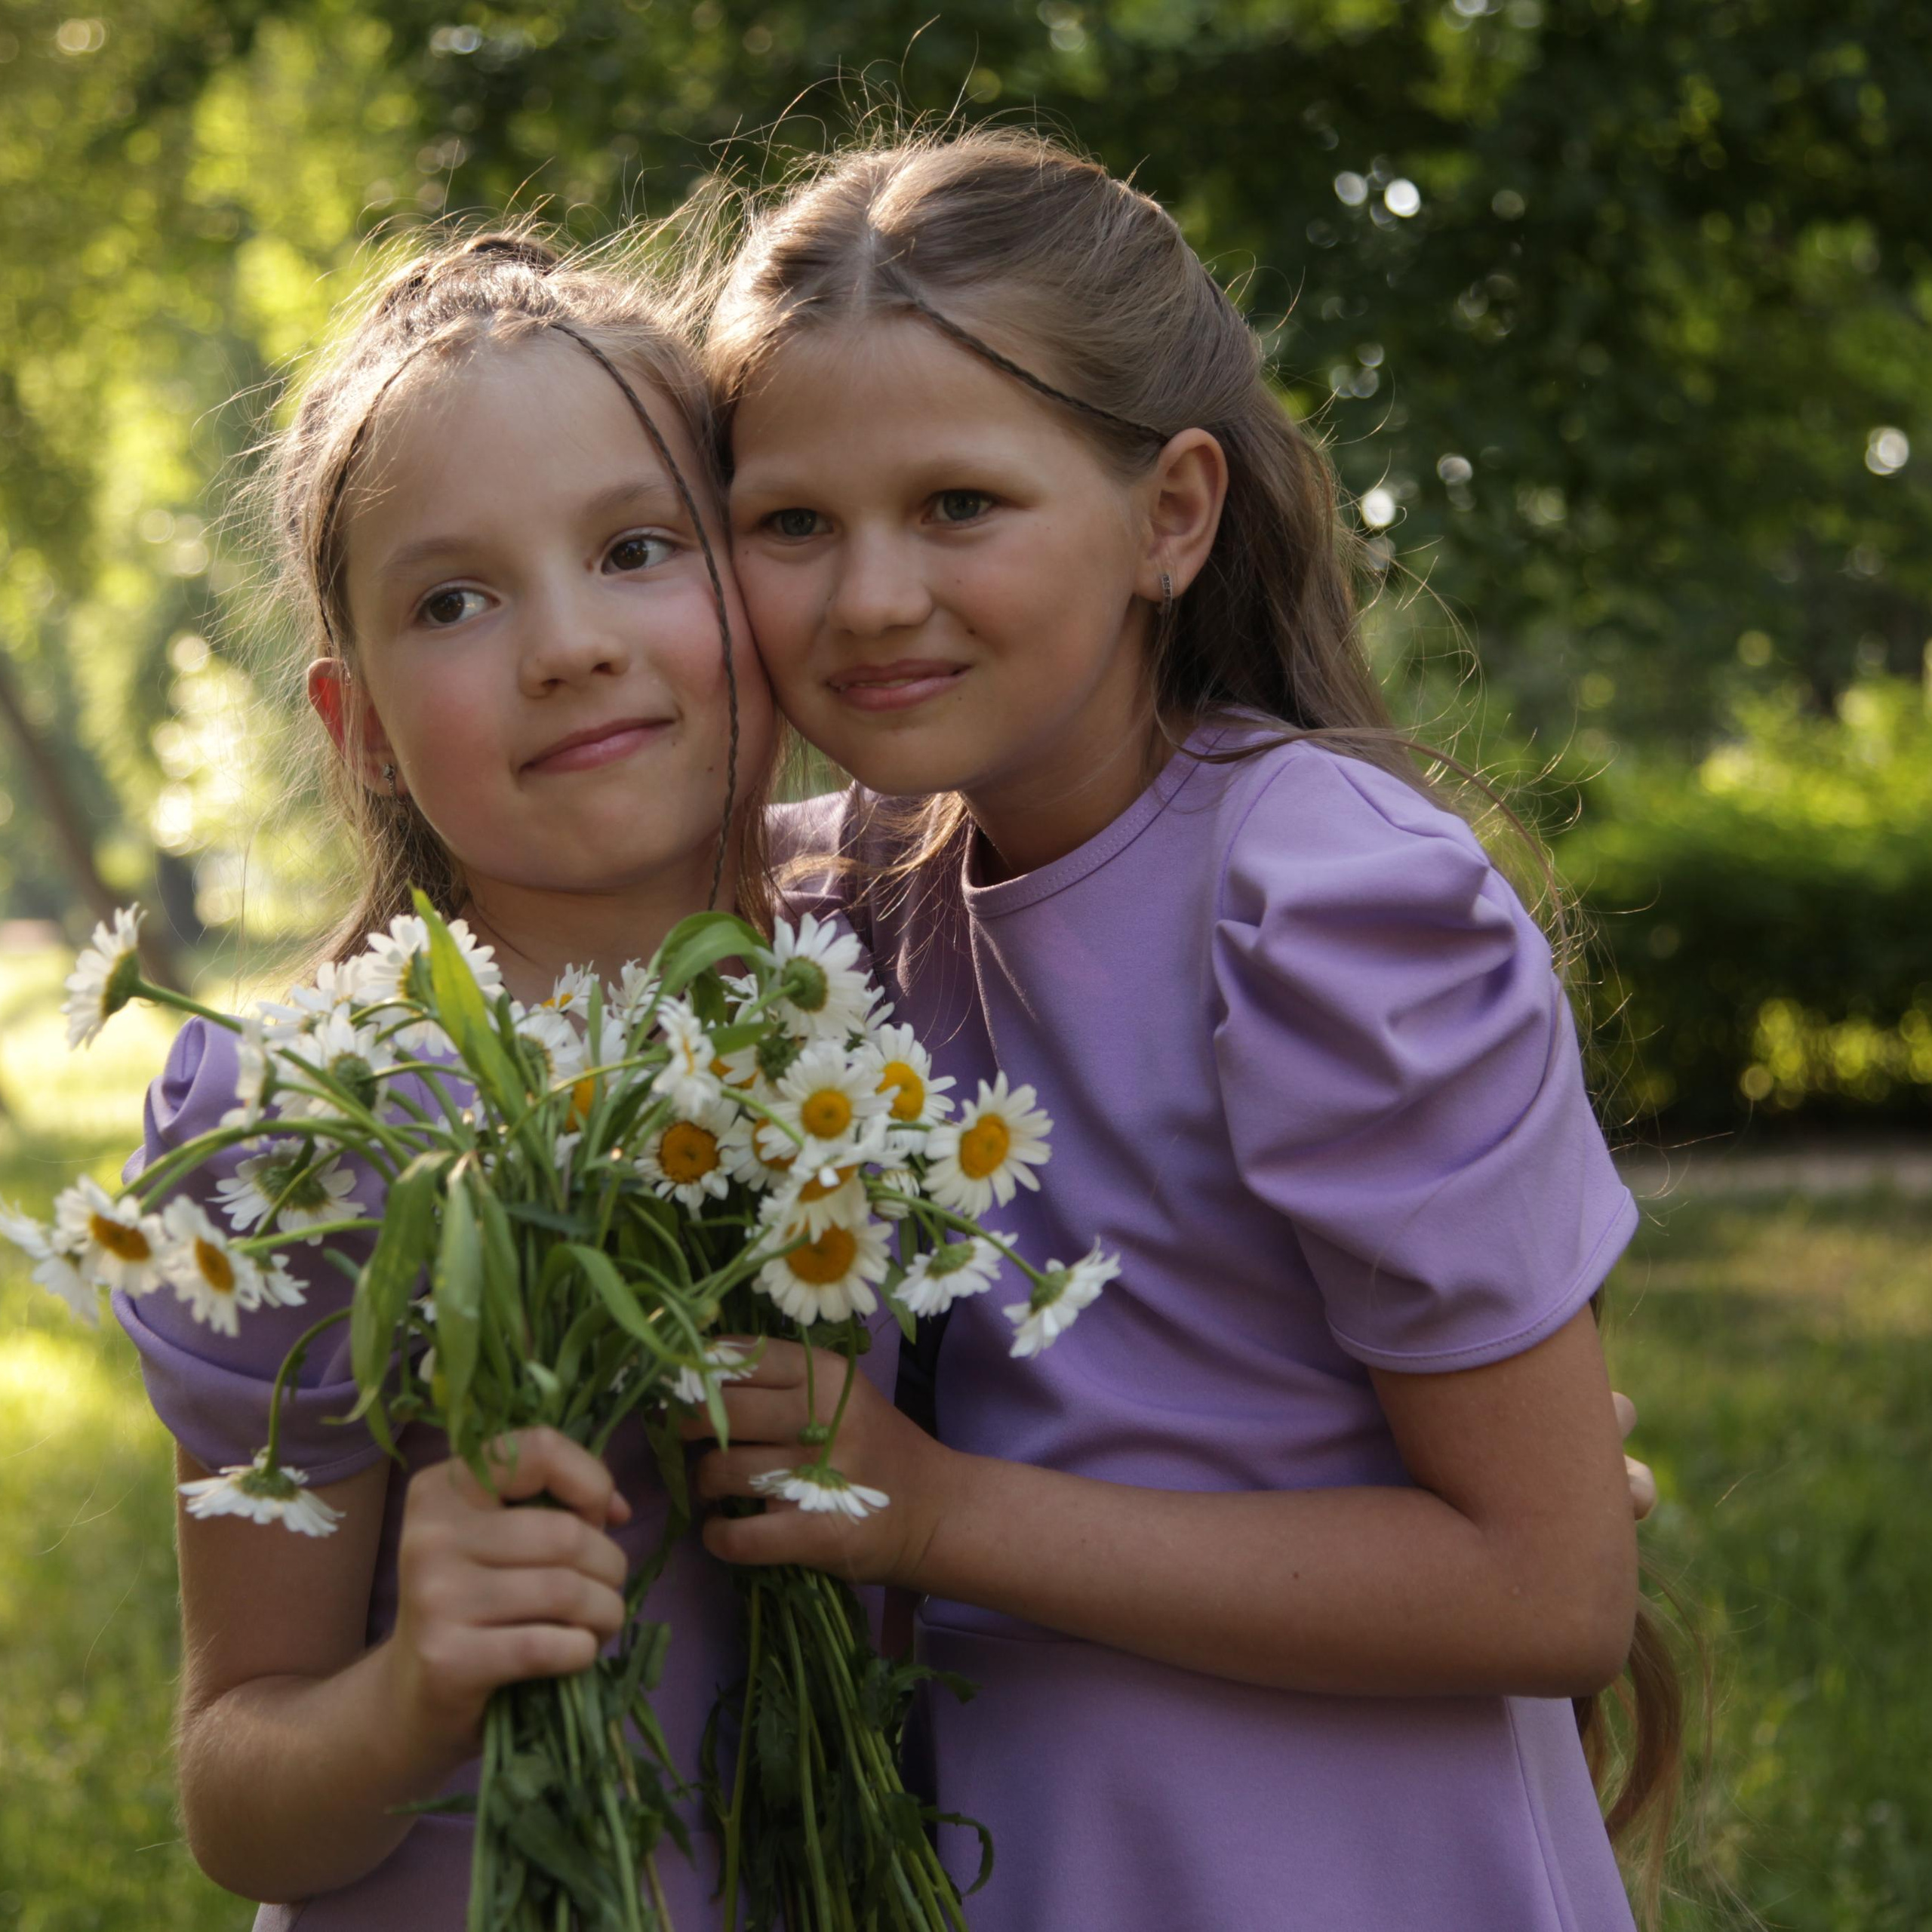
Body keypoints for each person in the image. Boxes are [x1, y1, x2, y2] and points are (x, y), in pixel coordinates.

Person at [687, 129, 1680, 1931]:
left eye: (959, 505)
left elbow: (1549, 1585)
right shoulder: (829, 908)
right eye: (790, 524)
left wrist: (931, 1514)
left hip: (1340, 1859)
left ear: (1169, 514)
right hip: (1010, 1853)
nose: (869, 597)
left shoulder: (1316, 898)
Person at [110, 231, 898, 1928]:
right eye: (452, 600)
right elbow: (237, 1791)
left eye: (632, 548)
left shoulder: (915, 958)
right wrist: (413, 1685)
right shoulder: (303, 1119)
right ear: (360, 723)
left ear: (760, 585)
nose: (563, 645)